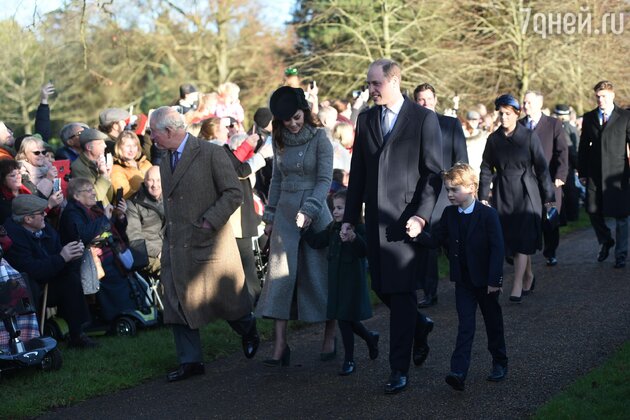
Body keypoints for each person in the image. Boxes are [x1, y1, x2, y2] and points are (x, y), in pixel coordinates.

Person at [341, 59, 442, 394]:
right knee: (383, 288)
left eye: (376, 84)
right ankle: (420, 325)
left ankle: (398, 369)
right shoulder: (367, 119)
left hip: (406, 223)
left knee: (400, 295)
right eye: (369, 84)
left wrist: (421, 215)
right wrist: (349, 220)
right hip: (375, 223)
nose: (371, 90)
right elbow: (357, 176)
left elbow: (432, 174)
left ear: (394, 81)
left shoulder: (423, 119)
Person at [149, 106, 258, 382]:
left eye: (154, 132)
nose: (151, 138)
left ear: (170, 131)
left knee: (226, 301)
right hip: (177, 244)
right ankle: (191, 361)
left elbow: (234, 193)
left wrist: (210, 221)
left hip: (209, 241)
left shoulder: (211, 153)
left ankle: (248, 328)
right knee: (176, 300)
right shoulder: (164, 160)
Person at [256, 86, 335, 367]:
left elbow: (325, 179)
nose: (293, 123)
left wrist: (311, 209)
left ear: (305, 112)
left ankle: (329, 335)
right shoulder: (279, 142)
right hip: (286, 216)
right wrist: (269, 217)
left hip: (316, 212)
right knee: (280, 278)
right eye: (287, 119)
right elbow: (275, 181)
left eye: (297, 117)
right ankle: (279, 345)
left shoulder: (320, 139)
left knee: (319, 276)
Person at [479, 94, 555, 302]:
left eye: (508, 113)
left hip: (527, 192)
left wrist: (548, 196)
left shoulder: (529, 137)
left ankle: (517, 284)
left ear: (516, 114)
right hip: (503, 193)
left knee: (523, 239)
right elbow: (485, 168)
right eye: (501, 113)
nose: (503, 117)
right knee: (512, 240)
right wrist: (483, 196)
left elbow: (541, 168)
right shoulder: (493, 140)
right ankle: (528, 275)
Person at [3, 194, 97, 348]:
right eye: (41, 213)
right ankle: (33, 338)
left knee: (70, 279)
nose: (45, 214)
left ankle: (77, 334)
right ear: (28, 219)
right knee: (29, 284)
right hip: (25, 289)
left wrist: (73, 256)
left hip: (48, 281)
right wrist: (62, 258)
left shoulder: (45, 229)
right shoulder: (13, 237)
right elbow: (31, 270)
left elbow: (58, 255)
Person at [303, 189, 379, 376]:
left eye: (340, 208)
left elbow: (364, 250)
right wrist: (305, 227)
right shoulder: (333, 228)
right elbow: (317, 242)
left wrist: (353, 238)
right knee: (347, 320)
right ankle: (370, 338)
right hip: (336, 283)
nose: (335, 212)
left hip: (351, 283)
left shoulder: (358, 228)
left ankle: (349, 359)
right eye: (334, 208)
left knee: (345, 321)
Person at [414, 83, 469, 308]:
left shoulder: (450, 124)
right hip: (423, 194)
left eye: (428, 98)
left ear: (435, 100)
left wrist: (457, 188)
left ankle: (466, 285)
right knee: (427, 246)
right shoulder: (411, 127)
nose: (425, 103)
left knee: (456, 244)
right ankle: (429, 292)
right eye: (420, 99)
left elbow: (462, 159)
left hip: (449, 193)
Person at [58, 178, 135, 323]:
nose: (94, 193)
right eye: (88, 190)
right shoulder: (72, 213)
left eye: (93, 189)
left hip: (108, 252)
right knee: (110, 270)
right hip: (85, 260)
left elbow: (115, 231)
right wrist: (105, 218)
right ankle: (117, 317)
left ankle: (127, 313)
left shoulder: (95, 209)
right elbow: (84, 235)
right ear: (76, 196)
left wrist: (120, 216)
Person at [578, 81, 630, 269]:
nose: (600, 100)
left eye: (604, 96)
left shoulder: (624, 117)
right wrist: (582, 172)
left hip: (618, 174)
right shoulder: (590, 117)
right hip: (594, 173)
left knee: (622, 216)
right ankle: (606, 239)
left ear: (612, 96)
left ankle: (621, 255)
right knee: (592, 210)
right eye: (598, 96)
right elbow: (583, 147)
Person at [520, 91, 569, 267]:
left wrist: (561, 175)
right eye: (524, 103)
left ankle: (551, 251)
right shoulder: (518, 125)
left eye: (529, 103)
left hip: (549, 180)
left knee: (550, 219)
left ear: (539, 104)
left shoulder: (553, 124)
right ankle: (525, 252)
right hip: (526, 180)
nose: (525, 106)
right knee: (528, 218)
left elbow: (562, 151)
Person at [126, 166, 164, 276]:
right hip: (149, 253)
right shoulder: (132, 203)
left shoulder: (171, 196)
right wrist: (158, 252)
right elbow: (135, 237)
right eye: (151, 180)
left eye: (158, 180)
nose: (155, 185)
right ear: (145, 182)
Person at [0, 159, 63, 224]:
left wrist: (55, 205)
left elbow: (48, 213)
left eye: (19, 173)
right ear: (3, 180)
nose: (18, 177)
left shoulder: (28, 186)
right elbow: (20, 223)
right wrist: (49, 205)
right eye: (13, 175)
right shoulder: (2, 202)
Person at [70, 128, 114, 206]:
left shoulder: (98, 163)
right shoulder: (78, 167)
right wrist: (103, 175)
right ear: (89, 147)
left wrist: (108, 174)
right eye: (100, 143)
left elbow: (109, 198)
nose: (105, 145)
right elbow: (94, 198)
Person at [110, 130, 152, 199]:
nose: (132, 150)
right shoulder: (116, 169)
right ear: (119, 147)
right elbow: (125, 195)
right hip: (134, 207)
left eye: (134, 145)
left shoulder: (146, 163)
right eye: (128, 146)